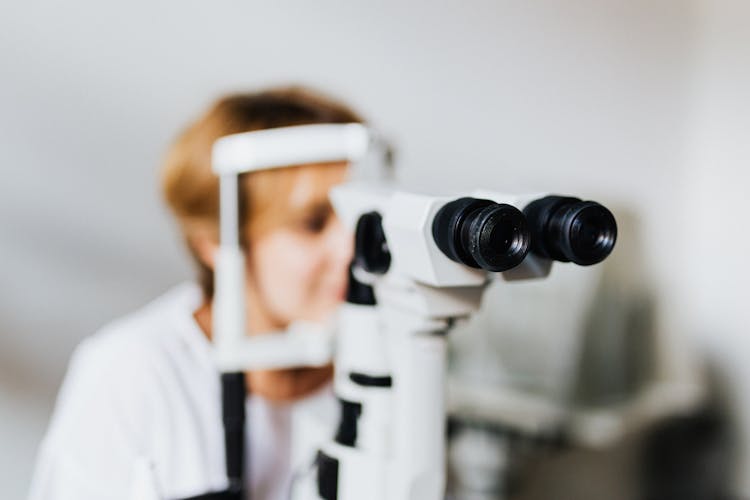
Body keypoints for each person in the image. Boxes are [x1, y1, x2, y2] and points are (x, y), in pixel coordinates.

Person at [29, 86, 364, 500]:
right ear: (217, 240)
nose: (350, 247)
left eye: (358, 218)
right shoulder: (134, 373)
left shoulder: (388, 367)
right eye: (312, 223)